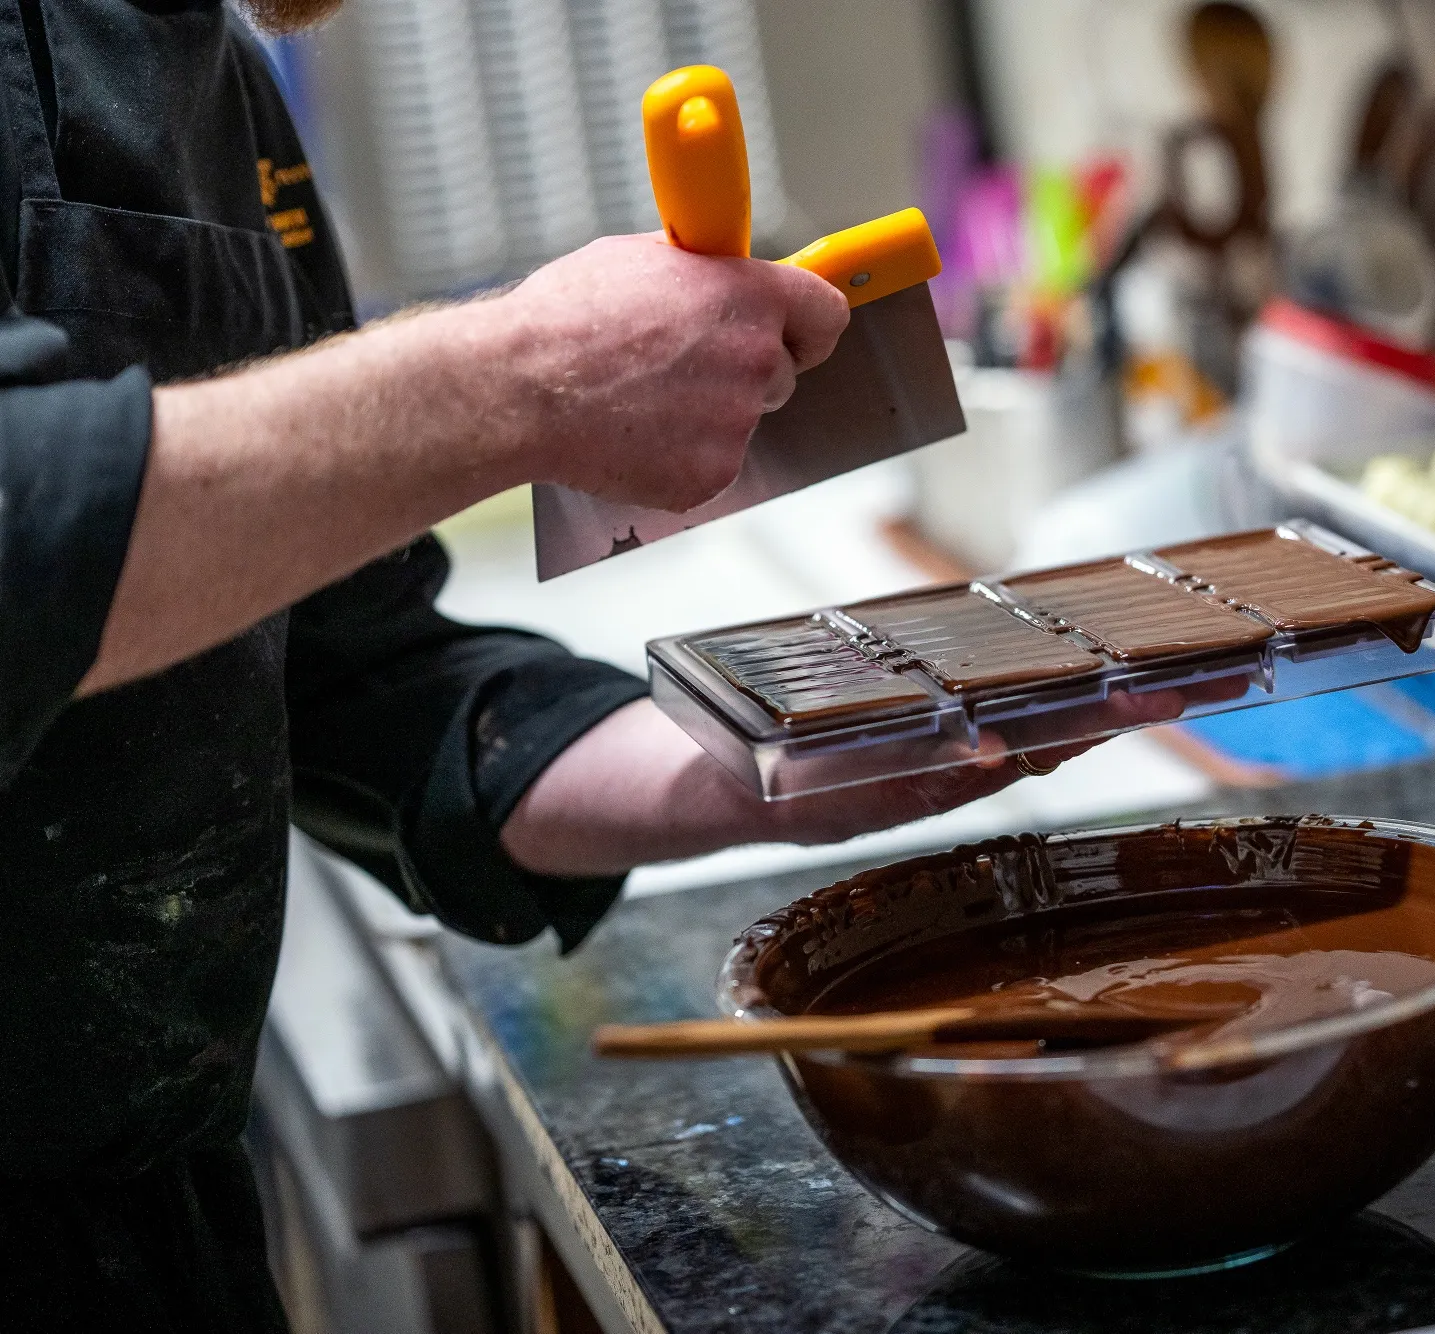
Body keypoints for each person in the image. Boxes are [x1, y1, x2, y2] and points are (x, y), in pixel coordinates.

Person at [0, 0, 1107, 1326]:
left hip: (162, 1232)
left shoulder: (218, 78)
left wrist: (762, 761)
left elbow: (358, 672)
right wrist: (518, 378)